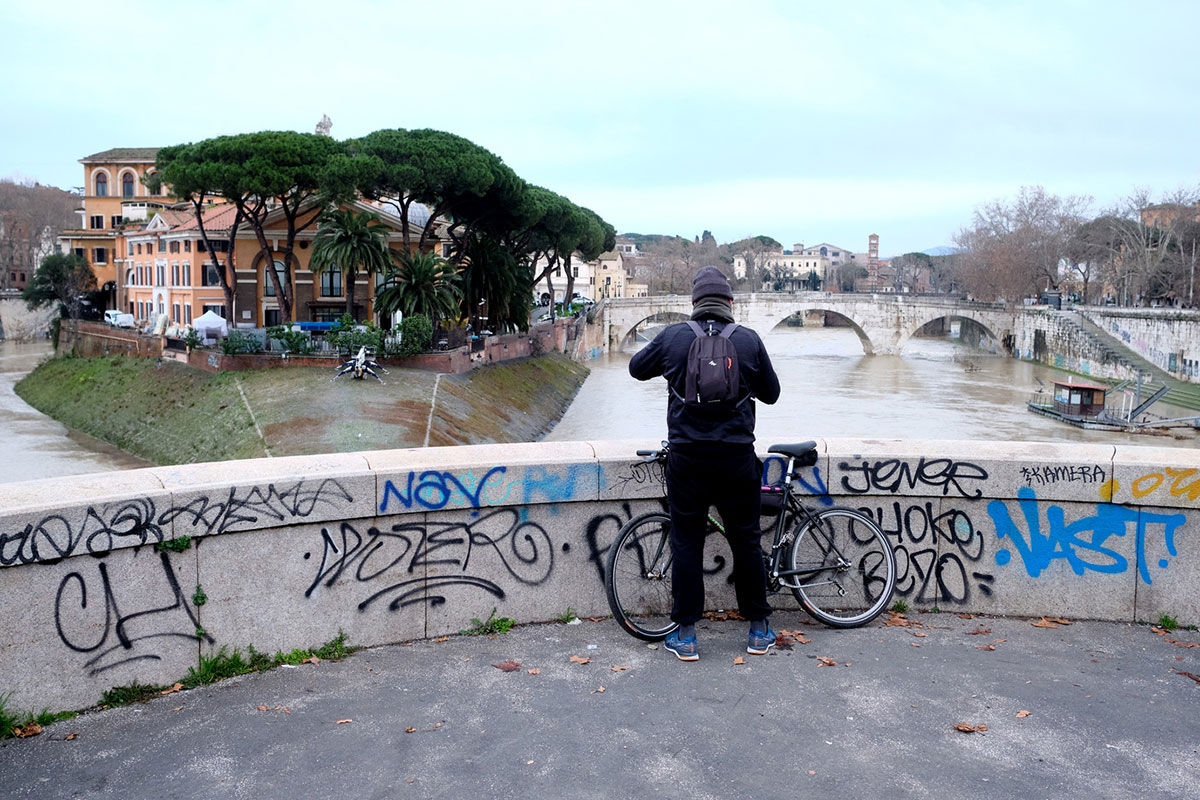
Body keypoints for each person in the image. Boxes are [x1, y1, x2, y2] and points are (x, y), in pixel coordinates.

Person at [628, 266, 781, 661]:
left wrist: (673, 362)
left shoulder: (675, 336)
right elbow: (772, 394)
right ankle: (759, 629)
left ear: (694, 303)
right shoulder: (747, 340)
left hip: (687, 459)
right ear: (730, 303)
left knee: (686, 541)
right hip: (736, 459)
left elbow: (636, 369)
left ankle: (687, 635)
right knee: (746, 539)